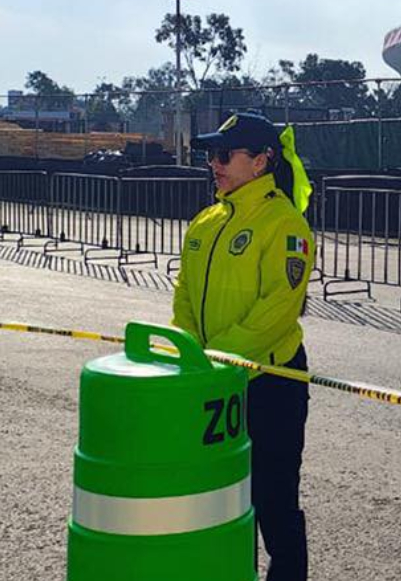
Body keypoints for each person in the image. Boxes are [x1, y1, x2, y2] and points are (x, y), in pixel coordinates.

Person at [171, 112, 315, 581]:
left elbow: (278, 310)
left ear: (260, 162)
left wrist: (219, 358)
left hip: (269, 384)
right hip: (212, 381)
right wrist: (193, 351)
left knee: (273, 503)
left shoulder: (285, 224)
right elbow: (184, 294)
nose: (213, 164)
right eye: (210, 155)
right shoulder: (205, 221)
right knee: (220, 501)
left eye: (223, 155)